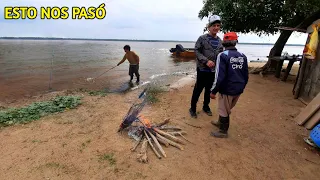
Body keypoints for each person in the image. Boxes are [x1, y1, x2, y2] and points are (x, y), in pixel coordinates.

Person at [210, 32, 249, 138]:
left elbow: (219, 76)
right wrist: (242, 87)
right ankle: (219, 122)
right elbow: (246, 75)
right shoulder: (242, 56)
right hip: (239, 88)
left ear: (223, 42)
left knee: (224, 109)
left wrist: (213, 91)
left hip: (227, 89)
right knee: (226, 108)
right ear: (235, 42)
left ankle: (223, 131)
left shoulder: (222, 55)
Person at [189, 15, 224, 118]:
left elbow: (221, 55)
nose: (216, 27)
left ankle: (205, 106)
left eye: (218, 25)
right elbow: (196, 51)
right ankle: (192, 108)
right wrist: (206, 61)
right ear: (209, 27)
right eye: (214, 25)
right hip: (202, 69)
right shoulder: (202, 38)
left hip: (213, 71)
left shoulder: (220, 41)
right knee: (198, 89)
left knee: (209, 89)